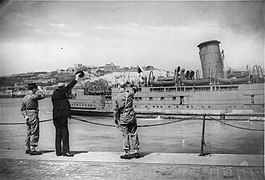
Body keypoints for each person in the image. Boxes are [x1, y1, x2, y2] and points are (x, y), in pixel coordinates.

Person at [51, 72, 83, 157]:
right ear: (62, 88)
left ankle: (58, 151)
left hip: (56, 117)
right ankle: (66, 151)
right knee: (65, 134)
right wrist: (76, 78)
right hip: (61, 117)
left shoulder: (55, 94)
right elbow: (69, 86)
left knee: (58, 134)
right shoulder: (61, 93)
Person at [113, 82, 140, 159]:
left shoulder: (116, 98)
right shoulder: (130, 94)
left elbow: (115, 111)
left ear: (119, 88)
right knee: (134, 133)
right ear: (125, 87)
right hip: (131, 116)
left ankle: (127, 153)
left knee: (125, 136)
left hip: (123, 117)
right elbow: (135, 89)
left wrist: (116, 120)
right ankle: (136, 152)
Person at [21, 83, 46, 155]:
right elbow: (44, 96)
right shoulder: (33, 96)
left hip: (27, 115)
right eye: (36, 89)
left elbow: (22, 109)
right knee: (35, 130)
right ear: (34, 89)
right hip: (33, 113)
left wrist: (25, 116)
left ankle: (27, 148)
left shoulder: (24, 97)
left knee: (28, 132)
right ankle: (33, 148)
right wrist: (41, 89)